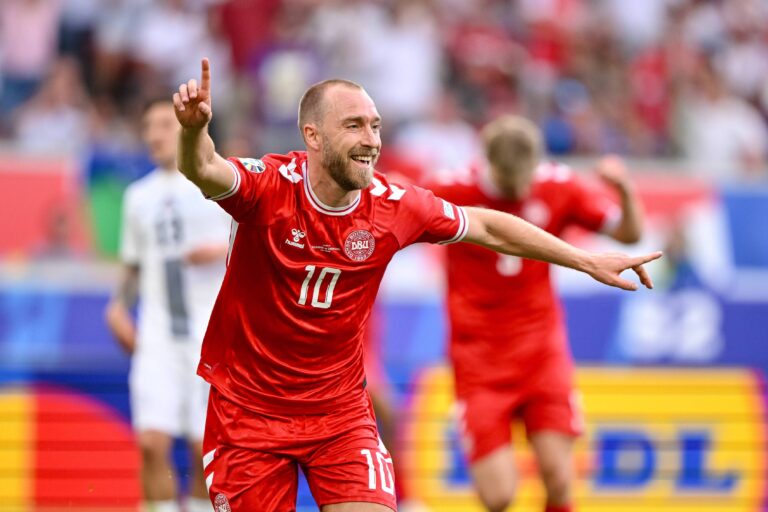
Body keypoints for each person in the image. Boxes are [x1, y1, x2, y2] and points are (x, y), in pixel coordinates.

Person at [172, 58, 660, 512]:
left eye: (376, 126)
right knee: (498, 494)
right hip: (248, 414)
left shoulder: (395, 205)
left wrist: (584, 259)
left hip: (339, 414)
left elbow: (488, 226)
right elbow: (205, 168)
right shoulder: (268, 186)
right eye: (354, 126)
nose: (371, 139)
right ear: (312, 136)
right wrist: (194, 134)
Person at [427, 115, 645, 512]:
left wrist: (625, 189)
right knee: (498, 496)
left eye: (524, 182)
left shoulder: (558, 185)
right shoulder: (449, 188)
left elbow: (628, 234)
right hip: (479, 361)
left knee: (560, 478)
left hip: (540, 353)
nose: (518, 191)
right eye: (509, 184)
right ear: (487, 164)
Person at [104, 98, 231, 512]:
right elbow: (133, 266)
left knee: (201, 448)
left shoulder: (217, 181)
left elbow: (257, 242)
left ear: (185, 127)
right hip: (157, 335)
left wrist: (224, 249)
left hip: (208, 338)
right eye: (148, 126)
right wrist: (118, 307)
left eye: (163, 124)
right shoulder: (137, 197)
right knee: (150, 442)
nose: (154, 134)